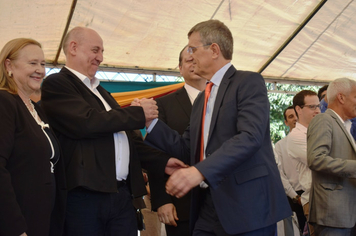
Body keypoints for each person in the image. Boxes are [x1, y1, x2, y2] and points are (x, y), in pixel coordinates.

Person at [144, 19, 291, 236]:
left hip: (248, 207)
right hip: (208, 206)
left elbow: (250, 136)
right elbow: (187, 148)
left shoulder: (248, 82)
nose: (190, 55)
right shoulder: (202, 100)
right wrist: (151, 123)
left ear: (214, 50)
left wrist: (199, 171)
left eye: (193, 49)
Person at [41, 27, 185, 236]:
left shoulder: (101, 92)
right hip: (85, 197)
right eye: (95, 50)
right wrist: (137, 114)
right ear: (73, 47)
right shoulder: (57, 84)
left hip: (121, 197)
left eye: (102, 51)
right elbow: (86, 122)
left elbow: (127, 140)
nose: (100, 57)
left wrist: (162, 162)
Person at [0, 38, 66, 236]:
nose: (40, 70)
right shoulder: (4, 102)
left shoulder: (36, 109)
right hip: (19, 222)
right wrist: (15, 228)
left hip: (43, 218)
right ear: (9, 65)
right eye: (32, 63)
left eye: (43, 64)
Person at [149, 45, 206, 236]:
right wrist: (162, 200)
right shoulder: (162, 105)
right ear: (180, 68)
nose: (194, 63)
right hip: (182, 205)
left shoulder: (223, 100)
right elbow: (155, 155)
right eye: (189, 60)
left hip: (224, 205)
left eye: (198, 59)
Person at [307, 78, 356, 236]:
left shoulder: (345, 125)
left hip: (346, 214)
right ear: (341, 97)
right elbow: (316, 158)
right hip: (333, 215)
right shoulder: (323, 120)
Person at [287, 90, 321, 236]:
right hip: (315, 199)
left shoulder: (320, 129)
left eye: (319, 106)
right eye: (312, 107)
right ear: (298, 109)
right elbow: (319, 161)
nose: (318, 111)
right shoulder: (296, 136)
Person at [275, 106, 306, 234]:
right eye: (290, 116)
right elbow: (280, 175)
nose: (294, 119)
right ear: (286, 122)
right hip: (293, 197)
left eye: (296, 115)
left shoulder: (310, 141)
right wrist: (295, 197)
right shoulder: (280, 146)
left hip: (312, 194)